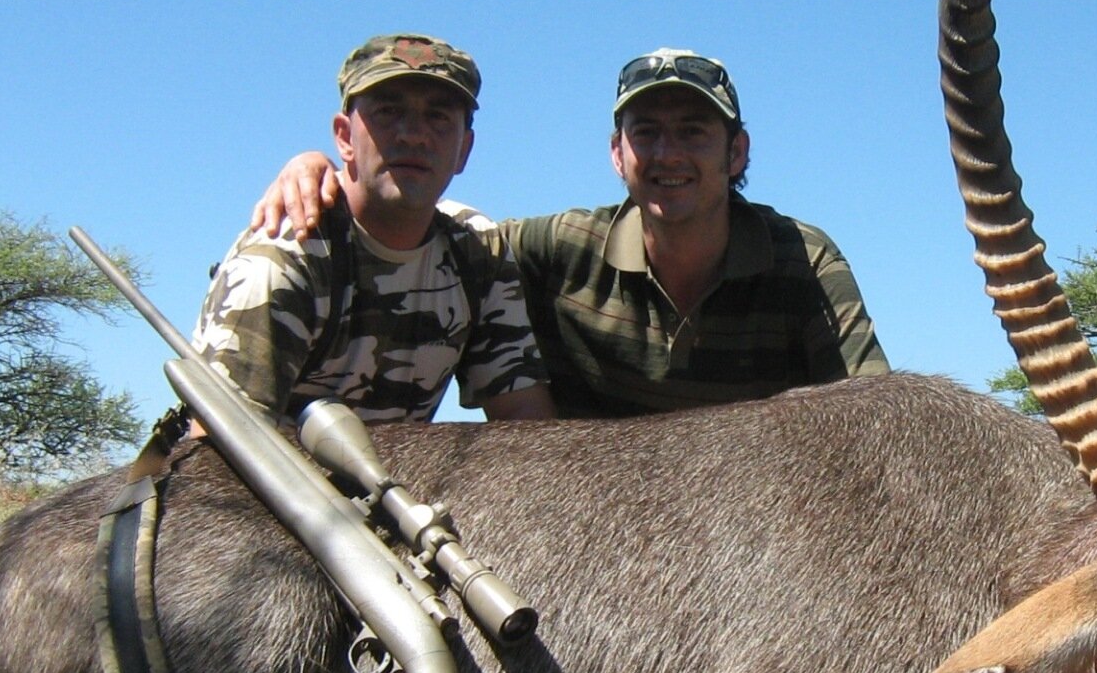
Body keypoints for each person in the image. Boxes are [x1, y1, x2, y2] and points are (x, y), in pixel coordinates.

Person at [255, 47, 888, 417]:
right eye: (647, 132)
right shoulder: (548, 250)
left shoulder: (805, 259)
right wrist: (322, 173)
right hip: (589, 545)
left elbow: (875, 416)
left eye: (694, 131)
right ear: (617, 153)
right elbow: (423, 227)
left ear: (737, 153)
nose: (668, 153)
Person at [197, 33, 556, 426]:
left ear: (464, 150)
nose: (413, 134)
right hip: (263, 480)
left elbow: (523, 417)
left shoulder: (478, 248)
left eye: (438, 117)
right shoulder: (286, 256)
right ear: (344, 137)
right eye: (387, 111)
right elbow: (218, 451)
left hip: (400, 482)